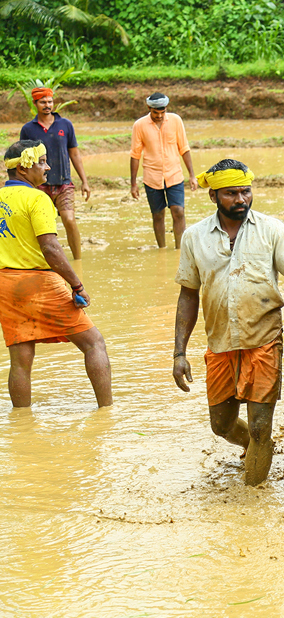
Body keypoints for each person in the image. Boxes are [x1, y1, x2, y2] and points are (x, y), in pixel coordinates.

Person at [172, 159, 284, 486]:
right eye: (231, 193)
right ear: (213, 196)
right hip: (220, 344)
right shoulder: (194, 237)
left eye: (246, 191)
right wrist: (179, 353)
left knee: (261, 426)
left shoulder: (272, 229)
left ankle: (252, 502)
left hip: (264, 342)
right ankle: (257, 449)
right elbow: (188, 296)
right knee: (221, 425)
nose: (241, 199)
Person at [0, 140, 112, 409]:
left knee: (20, 360)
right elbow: (50, 247)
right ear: (24, 168)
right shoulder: (37, 198)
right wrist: (77, 284)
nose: (47, 167)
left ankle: (22, 423)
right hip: (37, 281)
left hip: (4, 284)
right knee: (94, 343)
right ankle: (107, 413)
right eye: (41, 162)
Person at [19, 86, 90, 260]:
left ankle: (77, 261)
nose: (47, 105)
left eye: (50, 101)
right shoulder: (28, 129)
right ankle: (40, 261)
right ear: (35, 103)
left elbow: (74, 153)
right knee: (41, 226)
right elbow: (25, 159)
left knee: (69, 220)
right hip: (39, 186)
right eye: (43, 102)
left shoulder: (65, 125)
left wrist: (85, 181)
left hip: (63, 183)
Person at [130, 92, 198, 249]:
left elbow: (184, 148)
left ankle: (180, 250)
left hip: (174, 174)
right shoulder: (139, 125)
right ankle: (162, 249)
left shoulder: (175, 121)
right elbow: (135, 155)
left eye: (162, 112)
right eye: (156, 113)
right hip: (152, 177)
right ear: (149, 108)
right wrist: (133, 184)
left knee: (178, 211)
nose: (159, 116)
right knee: (158, 214)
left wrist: (192, 175)